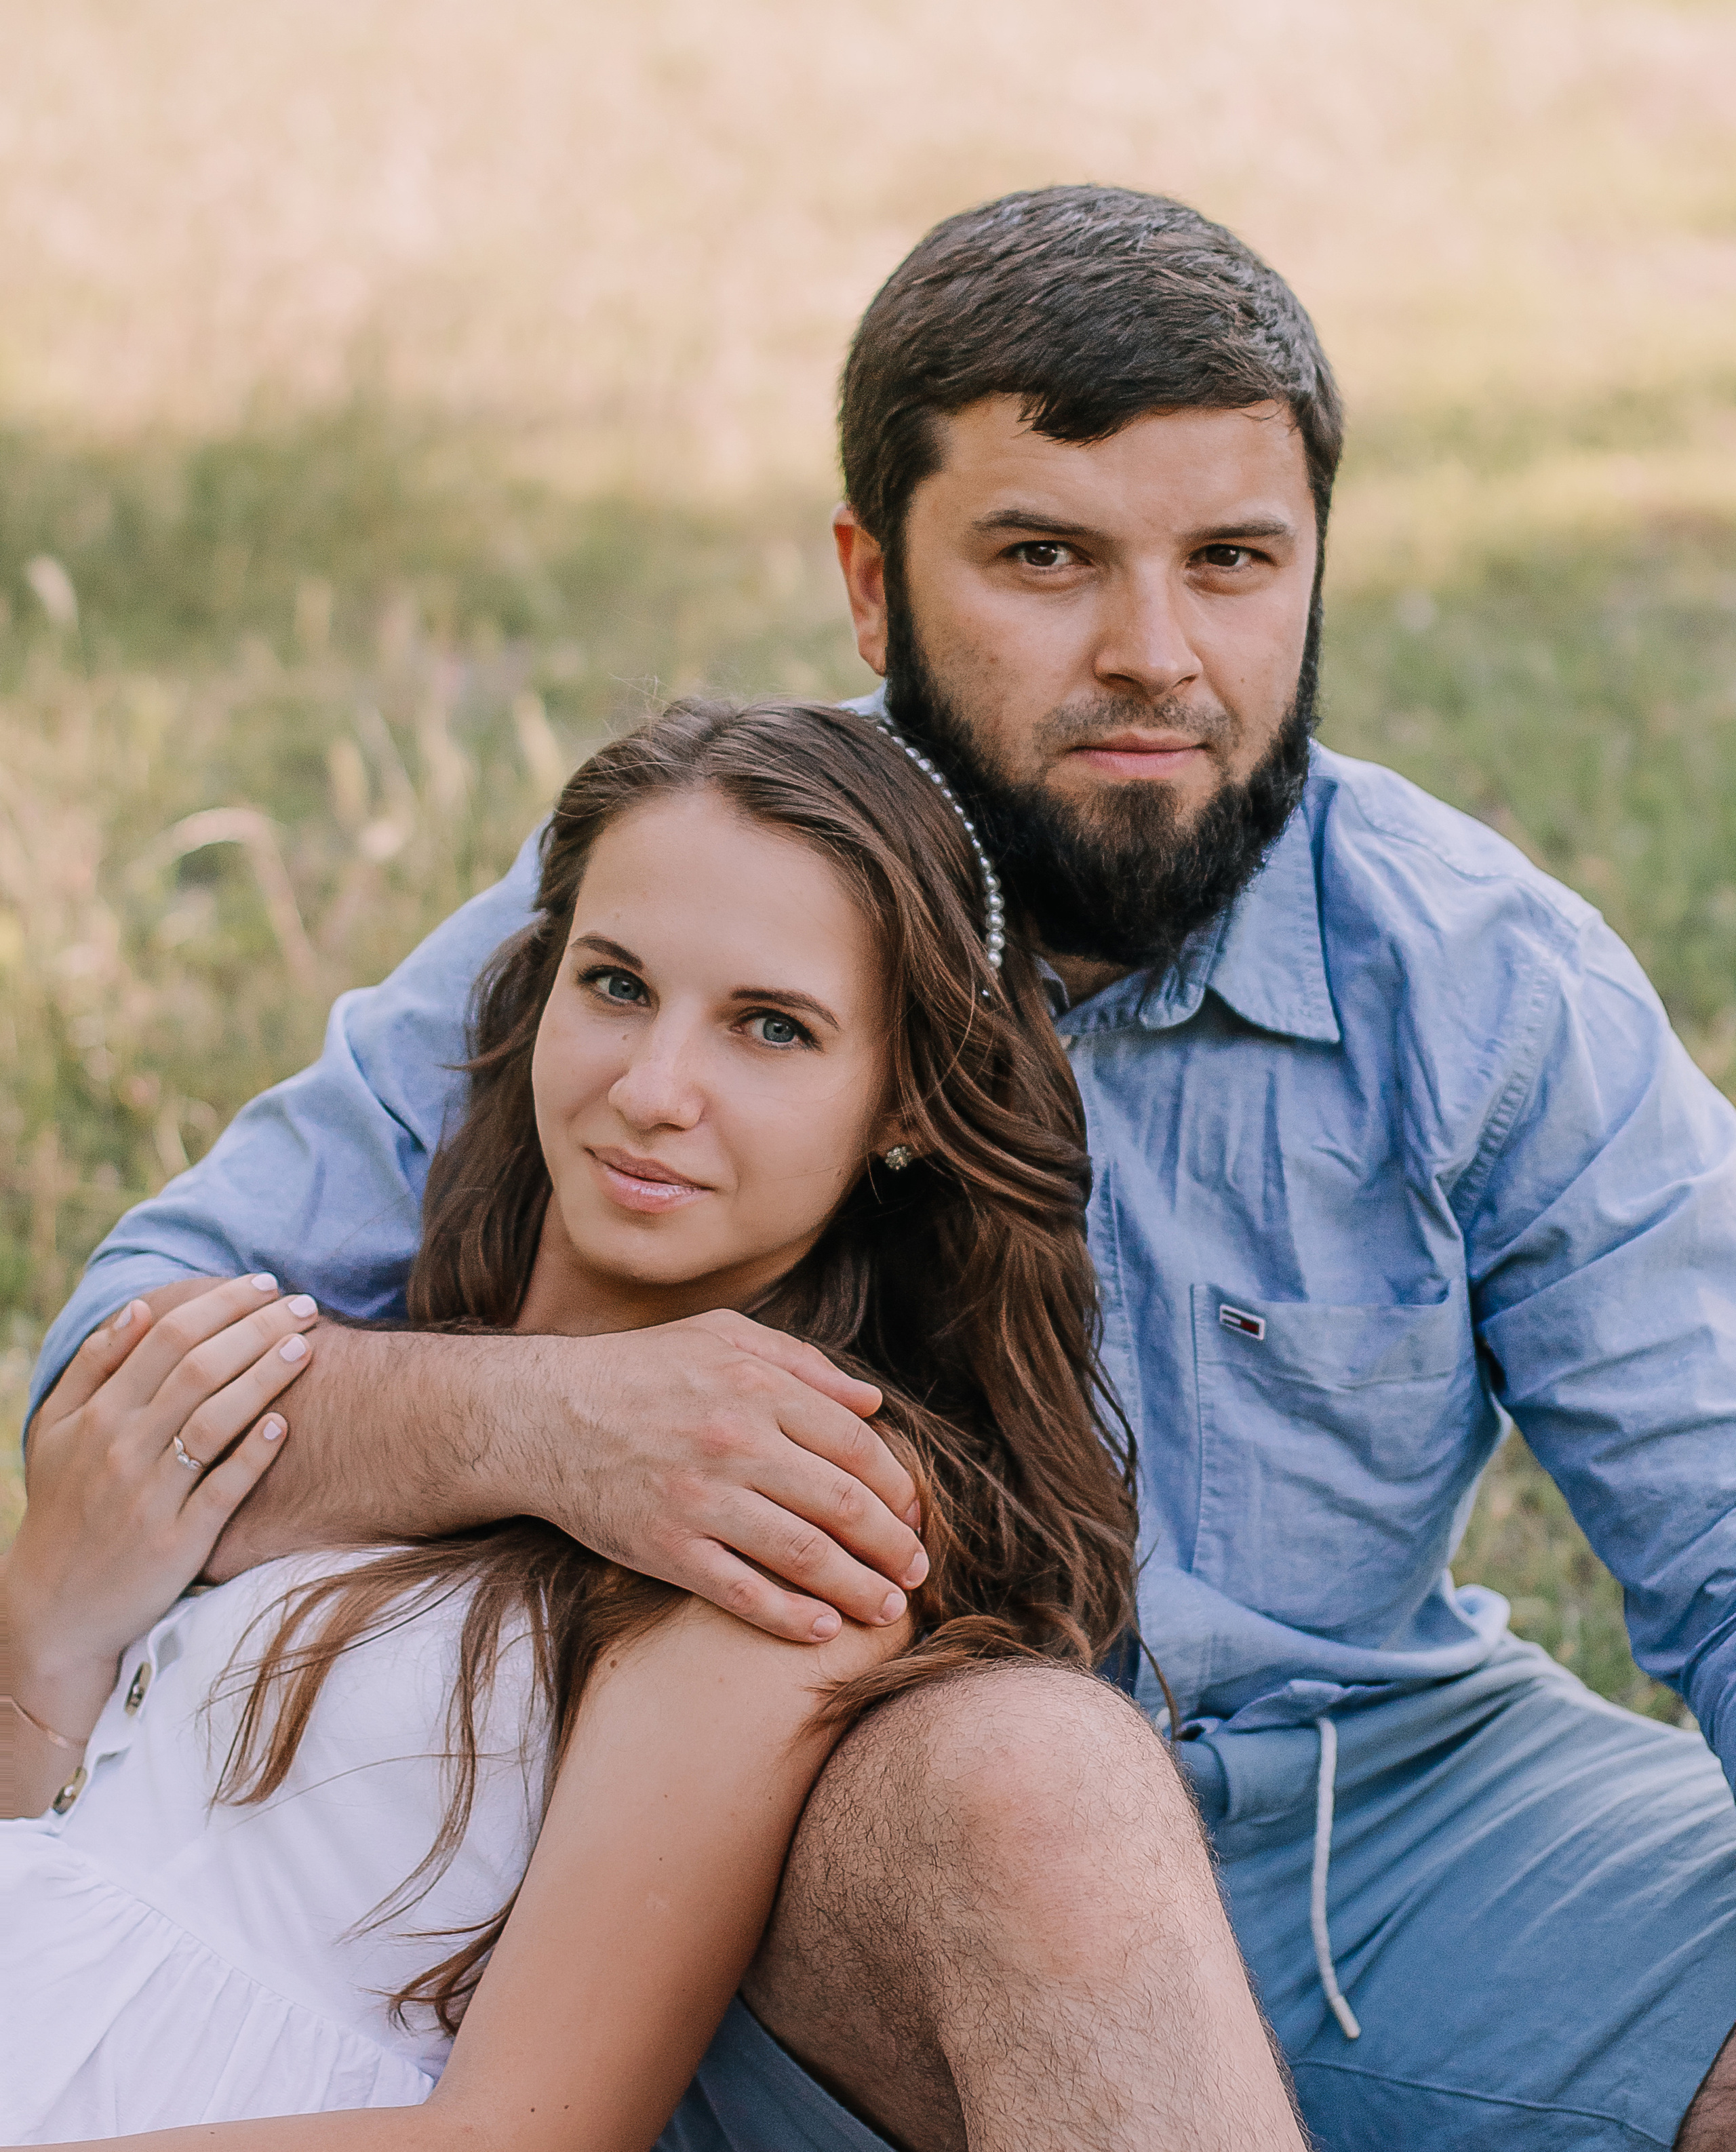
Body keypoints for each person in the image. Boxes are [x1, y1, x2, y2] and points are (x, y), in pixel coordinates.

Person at [16, 182, 1736, 2147]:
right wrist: (552, 1416)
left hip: (1396, 1806)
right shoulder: (703, 895)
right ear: (872, 580)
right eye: (1045, 556)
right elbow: (117, 1375)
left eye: (1236, 560)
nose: (1154, 652)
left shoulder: (1481, 977)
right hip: (874, 1822)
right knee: (1037, 1778)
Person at [0, 698, 1305, 2149]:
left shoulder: (787, 1520)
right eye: (616, 986)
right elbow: (57, 1871)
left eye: (770, 1028)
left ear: (901, 1109)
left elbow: (525, 2135)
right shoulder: (385, 1374)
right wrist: (46, 1637)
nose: (651, 1091)